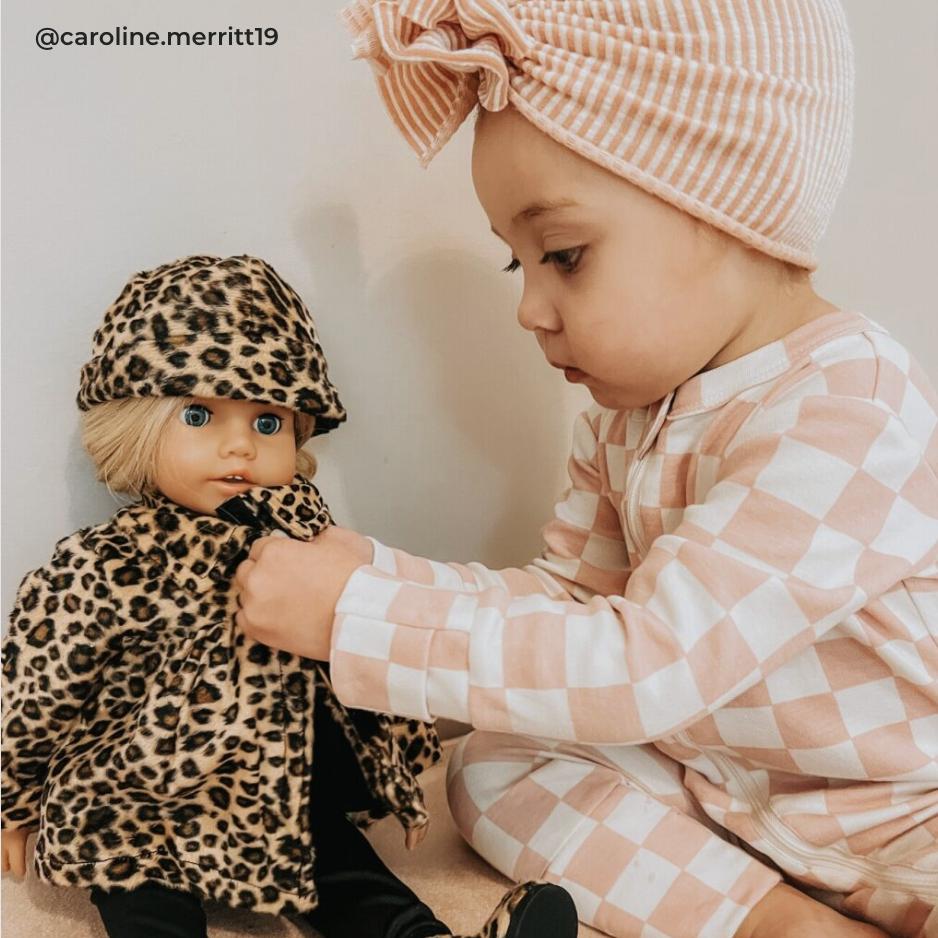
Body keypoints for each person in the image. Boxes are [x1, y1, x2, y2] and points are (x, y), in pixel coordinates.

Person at [230, 2, 938, 938]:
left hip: (905, 817)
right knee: (491, 764)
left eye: (563, 256)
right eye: (516, 263)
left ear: (725, 206)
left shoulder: (851, 404)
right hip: (724, 788)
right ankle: (776, 920)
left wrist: (361, 622)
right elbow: (567, 604)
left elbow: (653, 664)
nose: (530, 308)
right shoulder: (626, 418)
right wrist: (377, 576)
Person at [0, 253, 578, 938]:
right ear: (137, 421)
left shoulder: (310, 540)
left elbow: (369, 636)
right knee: (141, 897)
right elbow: (40, 685)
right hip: (144, 799)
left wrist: (398, 768)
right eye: (199, 415)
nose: (239, 447)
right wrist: (15, 801)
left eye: (266, 422)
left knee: (354, 881)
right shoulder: (109, 563)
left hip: (281, 794)